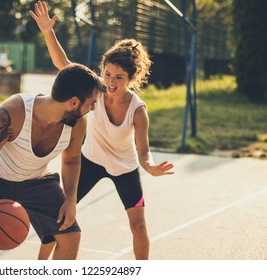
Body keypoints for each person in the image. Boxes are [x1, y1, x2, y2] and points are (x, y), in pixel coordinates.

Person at [30, 1, 175, 260]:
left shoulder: (137, 110)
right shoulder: (93, 90)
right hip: (90, 161)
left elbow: (144, 151)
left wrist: (150, 166)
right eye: (107, 74)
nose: (110, 82)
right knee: (59, 215)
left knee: (139, 226)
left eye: (119, 78)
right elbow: (64, 64)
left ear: (130, 79)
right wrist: (47, 31)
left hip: (125, 167)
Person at [0, 63, 105, 260]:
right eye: (91, 103)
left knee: (71, 236)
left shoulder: (77, 123)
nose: (92, 108)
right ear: (74, 102)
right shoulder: (15, 112)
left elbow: (72, 160)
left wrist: (71, 199)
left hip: (37, 182)